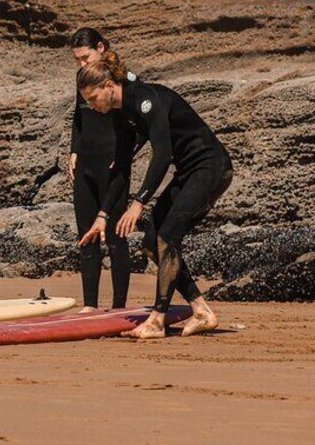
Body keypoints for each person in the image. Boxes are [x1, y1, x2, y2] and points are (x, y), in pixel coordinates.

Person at [77, 51, 233, 339]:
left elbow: (162, 154)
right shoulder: (119, 114)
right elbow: (122, 166)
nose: (91, 106)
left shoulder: (146, 99)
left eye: (92, 98)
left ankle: (157, 320)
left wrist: (138, 203)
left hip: (211, 166)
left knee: (167, 236)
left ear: (109, 86)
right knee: (152, 242)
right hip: (188, 172)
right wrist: (103, 215)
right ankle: (201, 311)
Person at [69, 29, 136, 312]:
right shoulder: (84, 80)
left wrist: (123, 157)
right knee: (87, 236)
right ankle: (90, 305)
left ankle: (119, 306)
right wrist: (73, 150)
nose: (82, 65)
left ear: (100, 47)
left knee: (116, 237)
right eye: (77, 60)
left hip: (112, 164)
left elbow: (135, 126)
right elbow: (78, 116)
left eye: (85, 57)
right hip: (85, 163)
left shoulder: (122, 81)